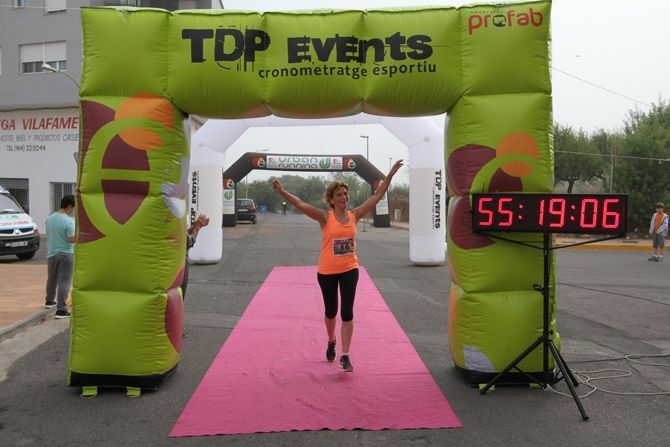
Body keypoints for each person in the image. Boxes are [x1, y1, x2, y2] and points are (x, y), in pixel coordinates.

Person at [271, 160, 404, 372]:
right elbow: (300, 204)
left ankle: (345, 355)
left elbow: (377, 195)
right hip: (327, 272)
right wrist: (281, 191)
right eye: (339, 195)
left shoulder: (355, 215)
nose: (344, 197)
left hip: (350, 269)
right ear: (331, 200)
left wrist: (390, 174)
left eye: (345, 194)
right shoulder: (324, 217)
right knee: (331, 311)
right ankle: (331, 339)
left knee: (347, 312)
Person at [44, 195, 76, 319]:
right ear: (69, 206)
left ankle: (49, 301)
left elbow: (49, 234)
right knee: (64, 282)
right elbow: (71, 240)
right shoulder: (69, 221)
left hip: (51, 253)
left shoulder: (49, 218)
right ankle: (61, 310)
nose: (73, 211)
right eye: (73, 208)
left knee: (51, 279)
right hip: (66, 254)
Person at [182, 213, 210, 299]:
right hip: (176, 265)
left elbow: (183, 235)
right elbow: (188, 241)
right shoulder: (171, 217)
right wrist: (197, 227)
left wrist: (195, 226)